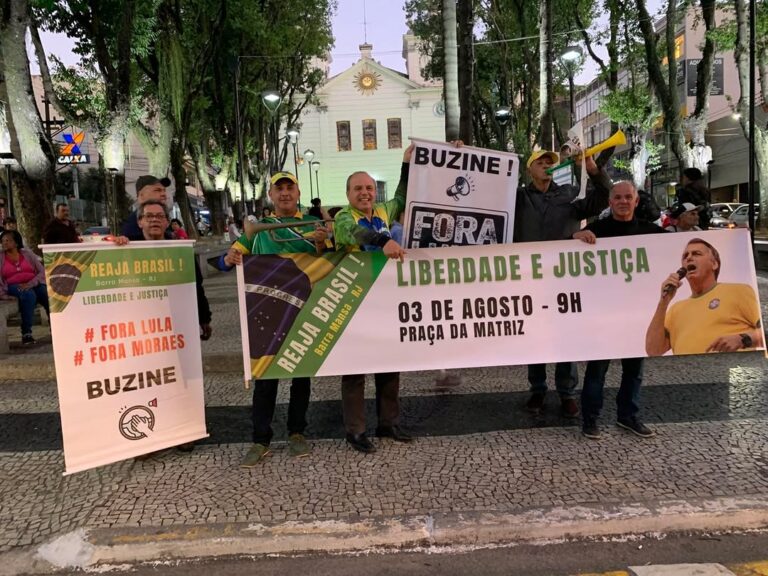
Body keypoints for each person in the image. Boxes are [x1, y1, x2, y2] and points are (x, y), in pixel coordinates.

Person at [220, 171, 329, 467]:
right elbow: (228, 258)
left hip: (301, 310)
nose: (284, 193)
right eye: (278, 189)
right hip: (266, 312)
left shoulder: (315, 225)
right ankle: (260, 438)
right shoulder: (260, 228)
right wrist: (229, 258)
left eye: (289, 187)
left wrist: (321, 243)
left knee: (301, 375)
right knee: (265, 378)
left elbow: (327, 261)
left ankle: (297, 432)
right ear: (271, 195)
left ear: (298, 192)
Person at [515, 149, 612, 418]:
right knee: (534, 334)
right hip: (528, 278)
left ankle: (567, 392)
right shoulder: (517, 199)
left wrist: (593, 169)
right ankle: (538, 389)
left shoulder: (569, 195)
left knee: (564, 334)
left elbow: (603, 200)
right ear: (529, 169)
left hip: (563, 278)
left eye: (550, 162)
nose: (546, 166)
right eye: (540, 162)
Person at [333, 145, 413, 454]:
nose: (364, 193)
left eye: (368, 188)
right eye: (358, 189)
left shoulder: (382, 211)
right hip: (354, 301)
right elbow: (354, 235)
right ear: (348, 193)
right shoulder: (343, 217)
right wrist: (384, 241)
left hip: (385, 300)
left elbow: (403, 197)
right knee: (354, 369)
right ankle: (355, 430)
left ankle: (388, 423)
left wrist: (406, 163)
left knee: (389, 364)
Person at [573, 181, 666, 440]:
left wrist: (734, 237)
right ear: (610, 202)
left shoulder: (652, 232)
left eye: (628, 197)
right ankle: (590, 419)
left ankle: (628, 416)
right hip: (603, 316)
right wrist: (576, 237)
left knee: (634, 371)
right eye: (618, 197)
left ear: (636, 201)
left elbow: (686, 246)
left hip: (637, 316)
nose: (623, 201)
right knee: (596, 371)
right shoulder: (596, 230)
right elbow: (564, 251)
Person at [645, 238, 763, 357]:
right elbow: (653, 350)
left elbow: (764, 332)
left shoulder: (738, 291)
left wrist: (743, 339)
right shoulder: (675, 309)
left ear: (714, 264)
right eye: (685, 256)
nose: (689, 258)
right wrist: (663, 302)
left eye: (696, 254)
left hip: (732, 370)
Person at [0, 229, 49, 345]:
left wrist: (31, 283)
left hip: (32, 283)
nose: (5, 243)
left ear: (16, 242)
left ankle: (55, 326)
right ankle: (26, 333)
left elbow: (42, 272)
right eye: (3, 241)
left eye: (8, 240)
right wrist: (3, 295)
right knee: (28, 295)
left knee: (45, 292)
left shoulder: (27, 254)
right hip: (12, 286)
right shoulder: (1, 257)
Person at [121, 175, 172, 240]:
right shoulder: (131, 227)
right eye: (157, 190)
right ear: (141, 195)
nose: (164, 194)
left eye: (164, 190)